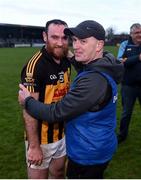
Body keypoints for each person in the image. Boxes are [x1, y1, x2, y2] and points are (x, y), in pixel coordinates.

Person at [19, 20, 124, 179]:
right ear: (44, 36)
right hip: (91, 143)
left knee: (63, 174)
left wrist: (27, 101)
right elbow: (84, 64)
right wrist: (34, 145)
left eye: (83, 41)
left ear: (99, 45)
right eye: (74, 40)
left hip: (87, 152)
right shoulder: (106, 63)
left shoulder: (93, 80)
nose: (74, 46)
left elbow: (57, 112)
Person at [20, 19, 72, 179]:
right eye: (54, 37)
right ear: (45, 37)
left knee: (58, 173)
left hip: (62, 133)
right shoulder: (34, 66)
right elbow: (28, 110)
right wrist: (34, 146)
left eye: (64, 38)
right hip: (41, 139)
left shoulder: (66, 60)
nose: (60, 43)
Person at [117, 23, 141, 143]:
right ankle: (122, 135)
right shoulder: (125, 45)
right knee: (126, 112)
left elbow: (127, 61)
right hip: (128, 85)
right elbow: (121, 62)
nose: (139, 34)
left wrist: (129, 60)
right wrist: (138, 58)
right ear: (131, 34)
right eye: (137, 33)